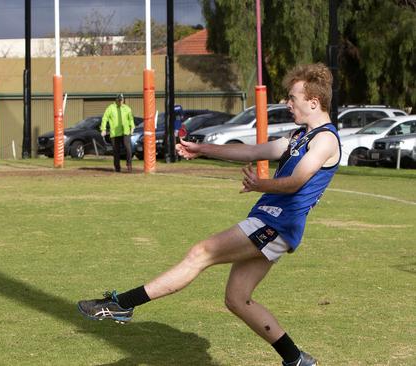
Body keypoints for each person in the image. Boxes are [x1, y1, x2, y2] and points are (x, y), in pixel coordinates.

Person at [78, 63, 341, 366]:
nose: (287, 102)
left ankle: (122, 304)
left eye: (292, 97)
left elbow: (298, 180)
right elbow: (252, 151)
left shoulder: (325, 140)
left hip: (275, 225)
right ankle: (297, 360)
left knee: (200, 253)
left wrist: (261, 184)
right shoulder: (298, 137)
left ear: (313, 102)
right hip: (271, 223)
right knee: (236, 299)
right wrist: (202, 149)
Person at [101, 94, 135, 172]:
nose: (120, 101)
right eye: (119, 100)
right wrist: (103, 129)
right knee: (116, 151)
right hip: (115, 133)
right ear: (116, 100)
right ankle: (117, 167)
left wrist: (132, 127)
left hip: (125, 132)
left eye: (121, 100)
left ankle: (129, 164)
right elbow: (105, 118)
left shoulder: (127, 108)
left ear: (123, 100)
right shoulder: (110, 108)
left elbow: (131, 119)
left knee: (128, 149)